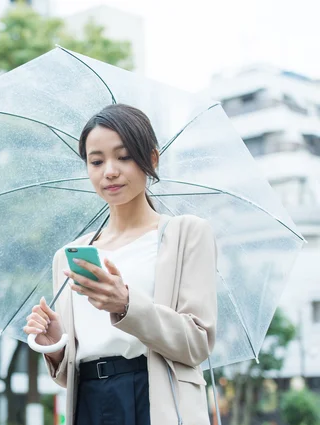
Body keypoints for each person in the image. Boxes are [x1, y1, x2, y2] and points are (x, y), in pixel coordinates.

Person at [23, 104, 218, 425]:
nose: (109, 171)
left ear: (152, 160)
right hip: (88, 400)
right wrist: (56, 346)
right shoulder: (70, 255)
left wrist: (126, 304)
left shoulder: (185, 233)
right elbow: (68, 374)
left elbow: (196, 343)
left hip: (155, 397)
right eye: (96, 161)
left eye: (124, 157)